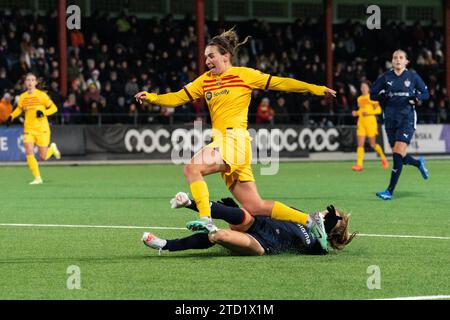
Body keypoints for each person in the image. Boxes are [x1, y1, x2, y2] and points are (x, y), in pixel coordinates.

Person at [135, 28, 336, 252]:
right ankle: (310, 220)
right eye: (205, 57)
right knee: (255, 206)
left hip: (235, 140)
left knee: (192, 168)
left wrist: (315, 89)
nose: (207, 61)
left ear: (225, 55)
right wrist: (152, 97)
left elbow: (281, 83)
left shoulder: (244, 75)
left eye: (211, 56)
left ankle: (205, 219)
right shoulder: (205, 81)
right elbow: (177, 97)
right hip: (227, 144)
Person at [142, 192, 356, 256]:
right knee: (241, 215)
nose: (321, 214)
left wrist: (328, 228)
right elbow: (270, 210)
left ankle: (165, 244)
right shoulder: (303, 216)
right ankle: (190, 203)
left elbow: (324, 247)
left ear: (329, 228)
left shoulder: (318, 245)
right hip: (257, 224)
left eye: (328, 217)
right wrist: (236, 206)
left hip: (261, 245)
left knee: (218, 236)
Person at [370, 50, 430, 200]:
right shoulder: (386, 77)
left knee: (397, 155)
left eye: (401, 57)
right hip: (390, 119)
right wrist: (380, 96)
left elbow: (425, 94)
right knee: (400, 156)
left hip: (407, 119)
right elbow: (372, 94)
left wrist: (416, 98)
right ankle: (418, 163)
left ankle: (389, 191)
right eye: (395, 57)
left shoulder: (412, 77)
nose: (397, 60)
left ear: (406, 62)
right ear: (392, 60)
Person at [3, 73, 61, 184]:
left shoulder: (42, 95)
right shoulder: (23, 96)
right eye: (28, 80)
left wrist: (44, 112)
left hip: (42, 129)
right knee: (29, 151)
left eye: (32, 80)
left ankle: (52, 149)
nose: (30, 82)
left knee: (43, 157)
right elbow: (19, 109)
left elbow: (54, 108)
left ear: (35, 82)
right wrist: (11, 116)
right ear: (25, 83)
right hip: (29, 129)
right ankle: (37, 178)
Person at [351, 81, 388, 171]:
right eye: (362, 87)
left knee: (372, 144)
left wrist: (369, 112)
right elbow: (361, 110)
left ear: (368, 88)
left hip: (370, 122)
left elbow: (379, 110)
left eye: (365, 87)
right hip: (361, 122)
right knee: (360, 144)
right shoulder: (359, 99)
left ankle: (383, 157)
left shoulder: (372, 98)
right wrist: (356, 113)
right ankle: (359, 165)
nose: (363, 88)